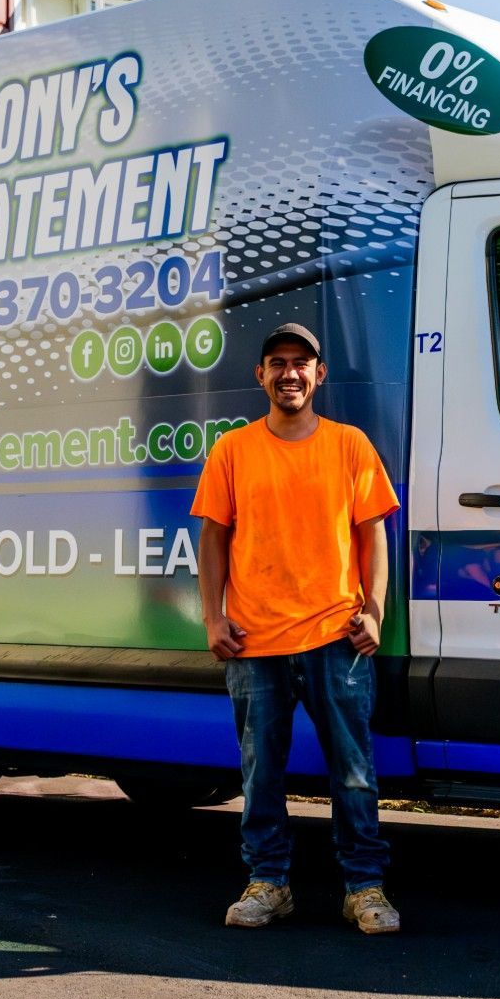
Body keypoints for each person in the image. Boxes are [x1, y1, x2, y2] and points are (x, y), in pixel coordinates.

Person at [191, 321, 401, 934]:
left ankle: (365, 889)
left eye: (301, 363)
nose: (290, 373)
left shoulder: (349, 445)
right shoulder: (233, 450)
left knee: (355, 773)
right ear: (260, 376)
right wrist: (213, 617)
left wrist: (375, 610)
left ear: (319, 374)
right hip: (254, 641)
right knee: (261, 772)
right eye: (277, 363)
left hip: (337, 637)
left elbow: (373, 533)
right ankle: (268, 884)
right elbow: (212, 537)